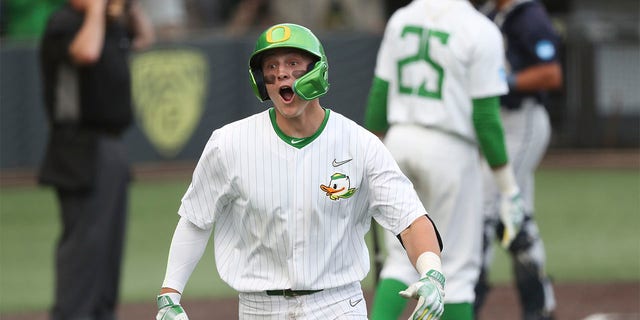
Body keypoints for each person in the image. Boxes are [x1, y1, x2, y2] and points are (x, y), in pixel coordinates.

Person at [155, 23, 445, 320]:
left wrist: (432, 273)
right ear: (260, 80)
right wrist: (169, 294)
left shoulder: (360, 144)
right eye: (271, 66)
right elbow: (195, 219)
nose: (281, 73)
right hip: (259, 310)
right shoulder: (228, 143)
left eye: (292, 63)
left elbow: (410, 219)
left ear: (318, 70)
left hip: (338, 305)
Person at [364, 0, 526, 319]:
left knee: (398, 260)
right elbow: (485, 118)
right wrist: (509, 189)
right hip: (450, 149)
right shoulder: (481, 29)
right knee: (457, 269)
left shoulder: (401, 18)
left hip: (399, 141)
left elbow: (379, 96)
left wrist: (369, 155)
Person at [37, 1, 154, 319]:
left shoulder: (108, 24)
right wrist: (95, 11)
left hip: (111, 145)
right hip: (79, 148)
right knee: (84, 253)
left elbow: (144, 38)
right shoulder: (64, 22)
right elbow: (86, 53)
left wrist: (128, 9)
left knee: (107, 255)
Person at [474, 0, 563, 319]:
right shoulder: (488, 13)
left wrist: (503, 83)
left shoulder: (529, 15)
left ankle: (470, 298)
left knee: (485, 205)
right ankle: (540, 303)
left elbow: (551, 74)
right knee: (516, 213)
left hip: (521, 120)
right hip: (494, 120)